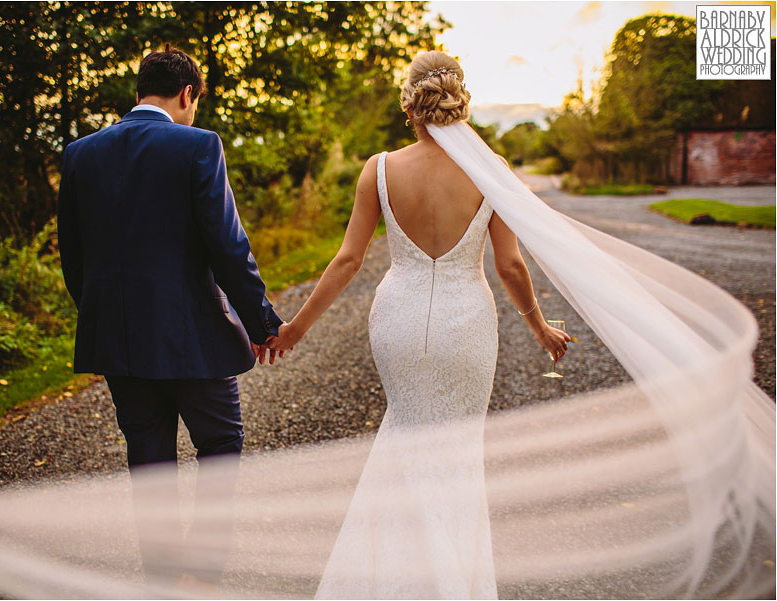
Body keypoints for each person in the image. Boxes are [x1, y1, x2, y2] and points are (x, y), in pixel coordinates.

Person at [266, 51, 569, 598]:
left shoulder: (378, 169)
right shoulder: (491, 169)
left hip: (398, 321)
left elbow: (347, 261)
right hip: (467, 326)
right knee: (457, 454)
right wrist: (540, 327)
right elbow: (510, 265)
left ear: (410, 104)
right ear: (460, 98)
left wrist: (296, 327)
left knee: (403, 439)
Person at [56, 47, 285, 590]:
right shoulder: (198, 145)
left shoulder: (80, 153)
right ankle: (202, 575)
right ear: (187, 94)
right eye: (194, 103)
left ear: (140, 90)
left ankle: (160, 577)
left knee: (148, 454)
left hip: (118, 340)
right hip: (194, 339)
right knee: (221, 444)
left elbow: (73, 256)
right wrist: (263, 324)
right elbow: (228, 246)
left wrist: (103, 317)